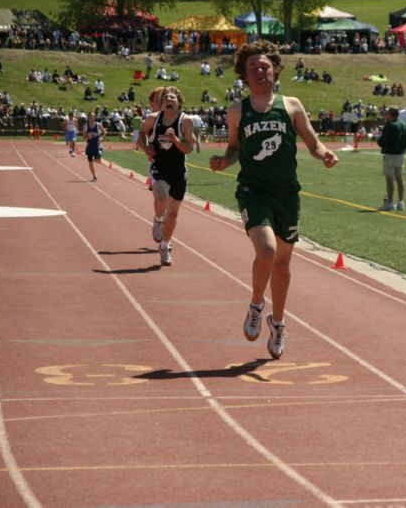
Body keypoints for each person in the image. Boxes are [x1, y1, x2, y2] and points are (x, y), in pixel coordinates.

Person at [208, 40, 338, 360]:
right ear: (244, 76)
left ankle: (277, 323)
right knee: (266, 250)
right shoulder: (238, 110)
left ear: (276, 70)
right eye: (253, 68)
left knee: (282, 262)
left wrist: (324, 155)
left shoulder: (291, 105)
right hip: (253, 190)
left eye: (264, 66)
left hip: (287, 194)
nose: (259, 71)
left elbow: (313, 142)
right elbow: (235, 147)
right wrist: (225, 161)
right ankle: (256, 304)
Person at [138, 86, 195, 266]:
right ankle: (157, 219)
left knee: (173, 214)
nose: (169, 99)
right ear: (162, 104)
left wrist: (175, 140)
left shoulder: (185, 122)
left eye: (172, 97)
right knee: (161, 196)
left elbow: (189, 149)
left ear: (178, 102)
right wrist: (146, 148)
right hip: (159, 166)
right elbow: (140, 134)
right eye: (166, 98)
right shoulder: (153, 120)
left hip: (178, 170)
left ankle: (164, 245)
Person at [377, 106, 406, 212]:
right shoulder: (403, 124)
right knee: (399, 178)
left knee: (389, 179)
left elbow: (383, 142)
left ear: (391, 114)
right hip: (400, 154)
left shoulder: (389, 125)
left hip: (390, 154)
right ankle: (401, 201)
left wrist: (379, 139)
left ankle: (390, 202)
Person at [82, 112, 105, 182]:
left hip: (97, 145)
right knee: (90, 163)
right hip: (90, 146)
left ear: (95, 117)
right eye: (90, 116)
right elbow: (84, 137)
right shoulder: (85, 126)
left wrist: (101, 138)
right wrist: (87, 138)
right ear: (88, 117)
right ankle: (94, 176)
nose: (92, 117)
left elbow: (104, 132)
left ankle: (98, 156)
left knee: (98, 160)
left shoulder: (98, 125)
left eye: (93, 116)